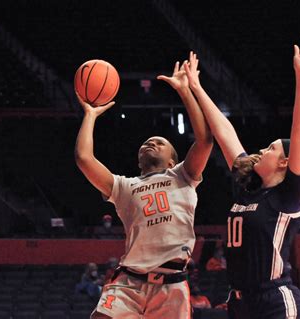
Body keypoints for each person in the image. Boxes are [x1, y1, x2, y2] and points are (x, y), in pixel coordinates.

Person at [184, 35, 300, 318]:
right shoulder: (248, 187)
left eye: (271, 149)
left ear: (286, 163)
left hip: (275, 302)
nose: (262, 151)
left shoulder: (289, 197)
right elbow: (225, 133)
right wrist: (196, 87)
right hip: (241, 303)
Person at [75, 53, 213, 318]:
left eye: (159, 142)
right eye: (146, 142)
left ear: (173, 159)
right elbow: (83, 158)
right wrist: (90, 115)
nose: (151, 143)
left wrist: (185, 91)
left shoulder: (183, 175)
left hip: (172, 286)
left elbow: (205, 139)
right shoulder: (124, 187)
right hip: (129, 282)